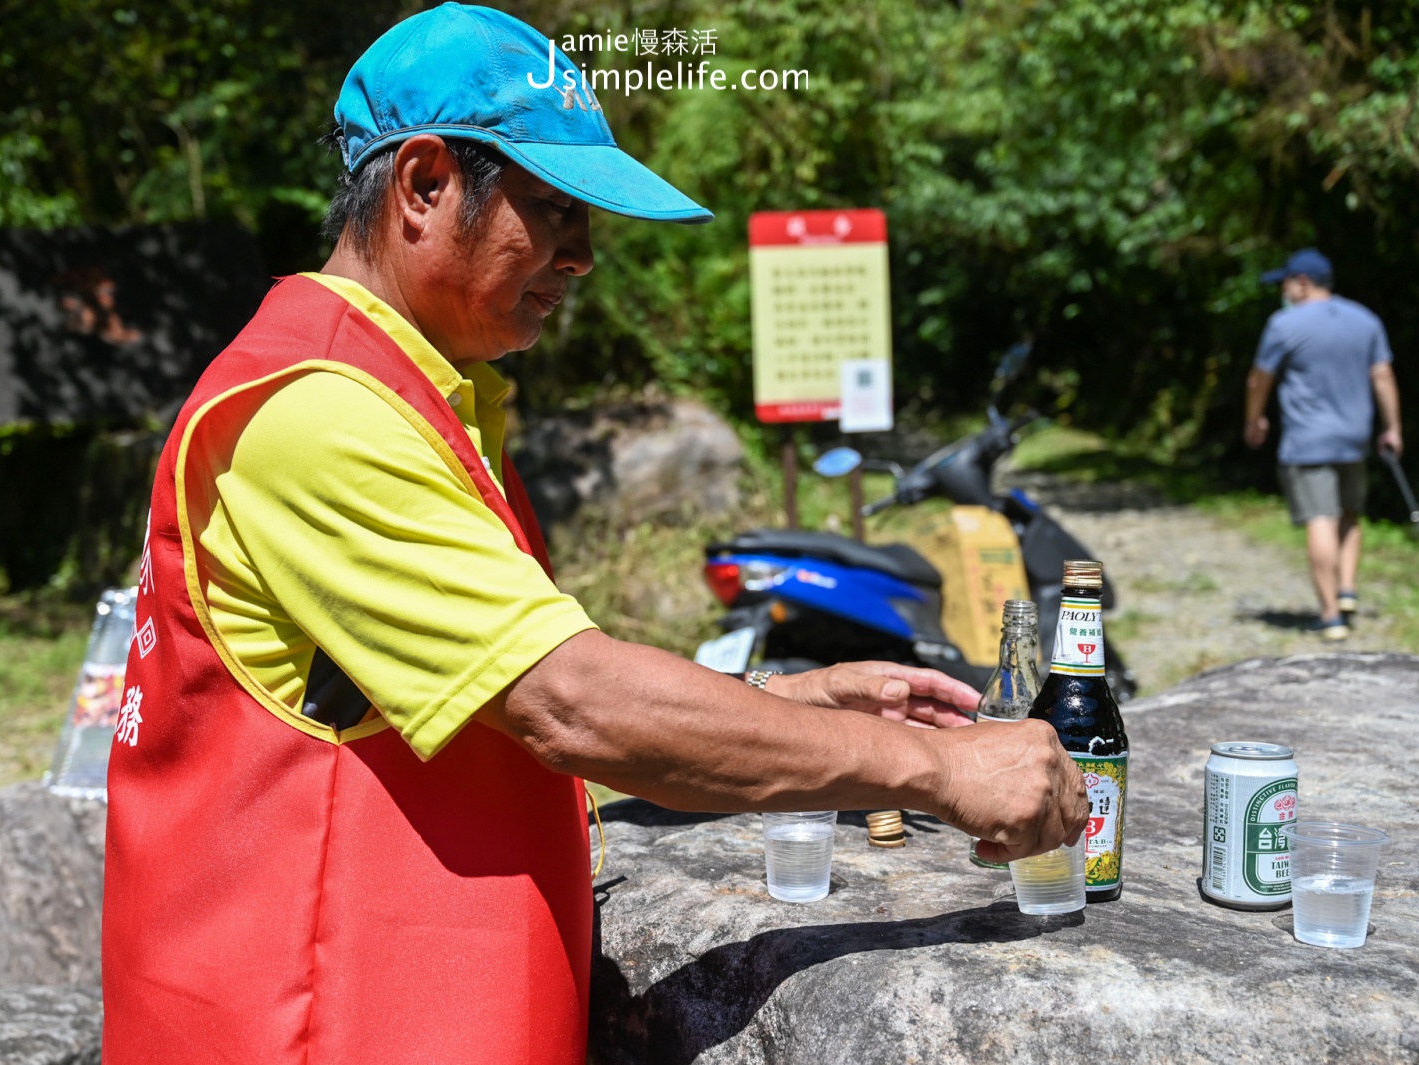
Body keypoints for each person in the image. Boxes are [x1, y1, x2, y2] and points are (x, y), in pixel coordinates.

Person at [100, 6, 1089, 1063]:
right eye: (553, 210)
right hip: (312, 1024)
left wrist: (770, 706)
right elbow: (570, 703)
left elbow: (482, 696)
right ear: (423, 186)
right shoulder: (317, 415)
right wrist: (934, 771)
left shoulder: (403, 388)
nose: (581, 258)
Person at [1244, 248, 1402, 639]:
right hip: (1355, 437)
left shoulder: (1284, 324)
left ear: (1302, 283)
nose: (1283, 290)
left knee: (1321, 519)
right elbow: (1382, 376)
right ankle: (1346, 590)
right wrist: (1393, 427)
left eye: (1285, 282)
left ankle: (1330, 615)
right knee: (1350, 515)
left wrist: (1254, 417)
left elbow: (1258, 379)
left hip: (1308, 439)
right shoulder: (1365, 320)